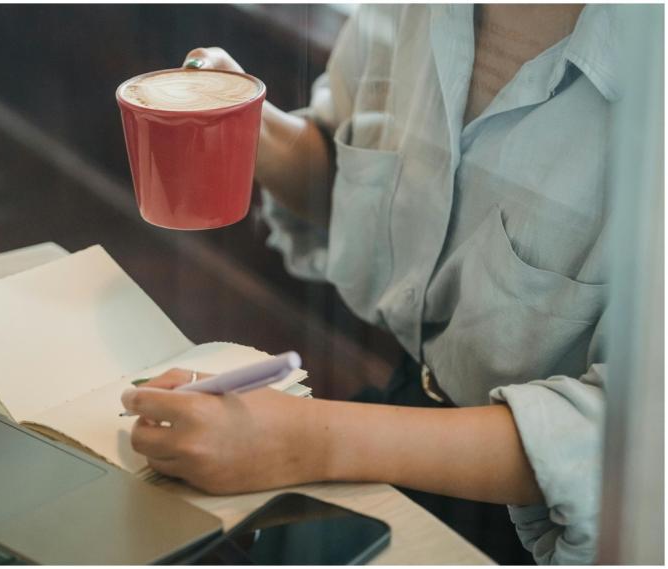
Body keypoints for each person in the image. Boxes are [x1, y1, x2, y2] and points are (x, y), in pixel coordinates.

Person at [120, 5, 614, 564]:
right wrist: (244, 119)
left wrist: (305, 441)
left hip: (542, 520)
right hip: (396, 415)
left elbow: (630, 444)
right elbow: (349, 180)